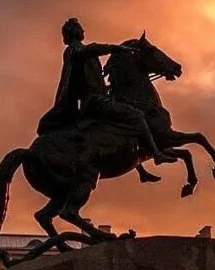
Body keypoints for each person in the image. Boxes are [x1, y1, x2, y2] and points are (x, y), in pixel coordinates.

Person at [40, 17, 176, 164]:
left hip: (97, 98)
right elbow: (92, 49)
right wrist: (116, 48)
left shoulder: (78, 52)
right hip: (94, 101)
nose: (82, 31)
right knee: (136, 115)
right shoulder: (75, 49)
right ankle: (156, 153)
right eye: (79, 28)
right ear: (74, 32)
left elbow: (89, 80)